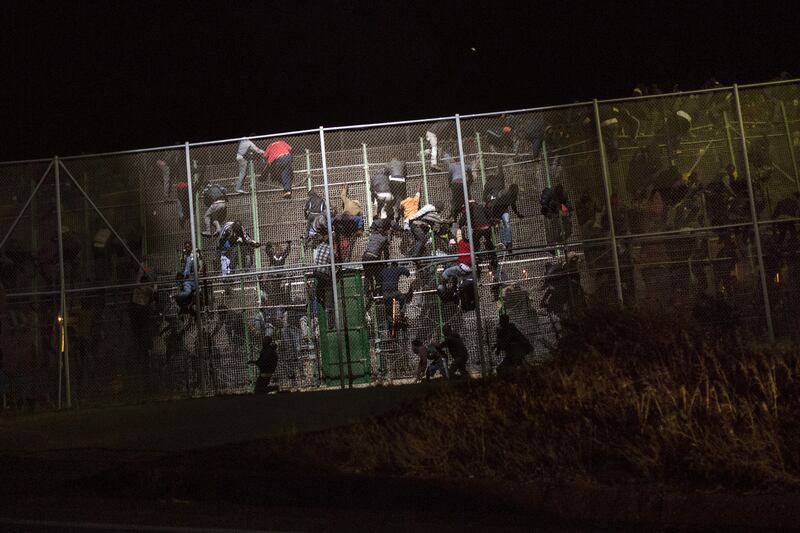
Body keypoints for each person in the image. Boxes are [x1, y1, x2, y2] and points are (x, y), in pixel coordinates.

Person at [362, 218, 391, 305]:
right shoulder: (384, 238)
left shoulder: (373, 235)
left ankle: (367, 293)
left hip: (365, 257)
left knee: (368, 275)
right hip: (373, 258)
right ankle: (378, 293)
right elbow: (386, 253)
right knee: (378, 275)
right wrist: (386, 263)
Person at [381, 261, 411, 333]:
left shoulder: (384, 270)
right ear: (396, 265)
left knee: (388, 309)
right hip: (394, 292)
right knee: (403, 298)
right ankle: (402, 314)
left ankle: (391, 323)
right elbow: (407, 272)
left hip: (385, 294)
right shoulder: (397, 269)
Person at [443, 152, 473, 219]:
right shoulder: (466, 166)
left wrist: (450, 185)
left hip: (455, 183)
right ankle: (470, 213)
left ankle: (454, 217)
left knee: (455, 200)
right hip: (463, 183)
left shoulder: (452, 166)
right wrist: (469, 183)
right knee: (467, 198)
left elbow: (449, 177)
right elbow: (470, 176)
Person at [174, 241, 199, 315]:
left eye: (188, 247)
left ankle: (188, 306)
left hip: (193, 272)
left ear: (191, 247)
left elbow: (199, 262)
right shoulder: (185, 255)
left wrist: (198, 253)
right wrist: (182, 253)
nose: (187, 249)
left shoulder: (194, 254)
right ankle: (178, 298)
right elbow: (181, 262)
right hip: (187, 278)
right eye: (186, 247)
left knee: (190, 260)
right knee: (187, 292)